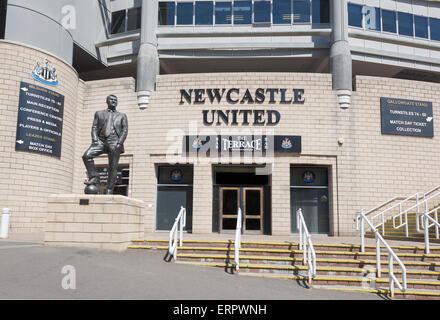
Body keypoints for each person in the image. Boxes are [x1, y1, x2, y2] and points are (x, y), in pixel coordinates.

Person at [82, 95, 128, 194]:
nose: (114, 101)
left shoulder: (122, 116)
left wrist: (120, 143)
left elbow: (125, 130)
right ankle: (94, 176)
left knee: (113, 166)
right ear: (107, 101)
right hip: (101, 141)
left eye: (115, 100)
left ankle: (109, 189)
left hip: (114, 142)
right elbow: (94, 127)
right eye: (111, 100)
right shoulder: (99, 113)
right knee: (86, 156)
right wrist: (95, 139)